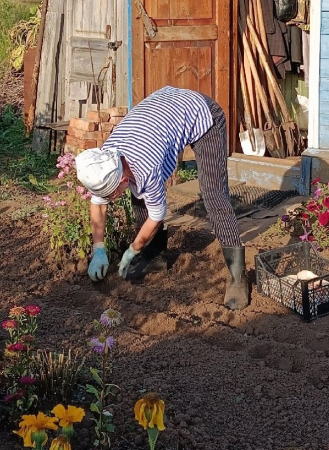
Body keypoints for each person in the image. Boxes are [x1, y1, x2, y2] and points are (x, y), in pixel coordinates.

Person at [74, 86, 249, 310]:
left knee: (213, 196)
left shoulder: (147, 168)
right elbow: (98, 204)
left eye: (113, 194)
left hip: (204, 115)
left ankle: (237, 276)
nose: (112, 199)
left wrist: (133, 249)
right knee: (139, 195)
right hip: (165, 110)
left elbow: (157, 214)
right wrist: (98, 249)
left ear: (121, 180)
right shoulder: (105, 158)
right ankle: (154, 257)